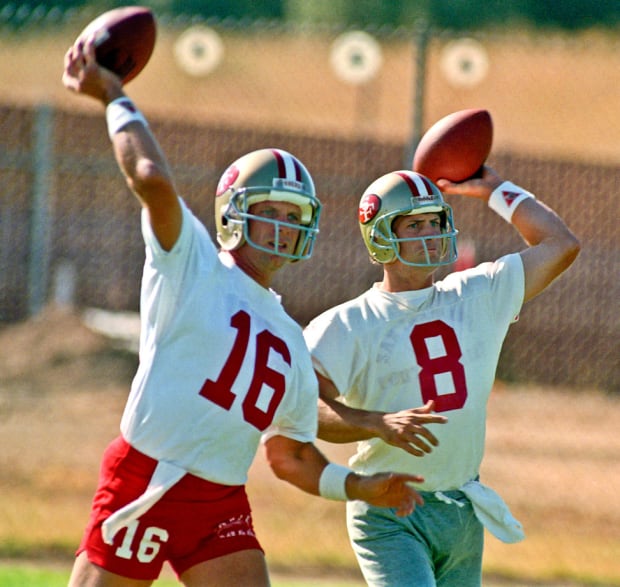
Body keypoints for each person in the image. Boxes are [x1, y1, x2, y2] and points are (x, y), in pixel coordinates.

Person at [61, 35, 427, 587]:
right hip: (150, 477)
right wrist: (114, 95)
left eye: (293, 214)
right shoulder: (194, 265)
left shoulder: (288, 338)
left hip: (219, 501)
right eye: (269, 211)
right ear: (235, 215)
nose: (283, 224)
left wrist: (357, 486)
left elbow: (292, 454)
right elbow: (151, 179)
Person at [304, 168, 580, 586]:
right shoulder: (348, 324)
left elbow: (561, 244)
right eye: (415, 224)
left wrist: (495, 190)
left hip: (462, 505)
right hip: (390, 507)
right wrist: (374, 422)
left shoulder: (477, 293)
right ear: (379, 235)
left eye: (436, 222)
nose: (431, 233)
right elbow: (304, 407)